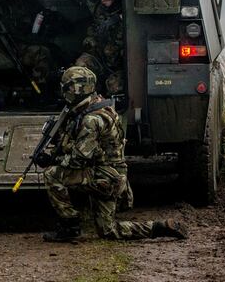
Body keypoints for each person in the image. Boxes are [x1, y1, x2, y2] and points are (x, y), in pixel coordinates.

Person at [38, 66, 187, 242]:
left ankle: (69, 225)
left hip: (105, 178)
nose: (64, 91)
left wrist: (52, 159)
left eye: (67, 87)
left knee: (52, 175)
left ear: (76, 89)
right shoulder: (98, 105)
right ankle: (159, 227)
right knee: (108, 231)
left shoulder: (91, 119)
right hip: (112, 175)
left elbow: (78, 160)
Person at [74, 0, 124, 95]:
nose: (103, 1)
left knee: (114, 86)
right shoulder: (98, 7)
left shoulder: (125, 14)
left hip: (117, 66)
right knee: (80, 67)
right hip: (99, 57)